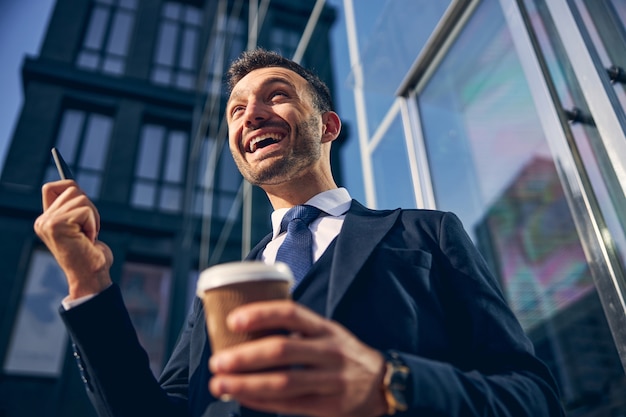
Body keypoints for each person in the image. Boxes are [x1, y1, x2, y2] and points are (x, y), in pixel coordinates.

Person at [34, 49, 565, 417]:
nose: (251, 115)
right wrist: (88, 282)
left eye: (276, 95)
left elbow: (533, 399)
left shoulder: (428, 235)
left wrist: (391, 383)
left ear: (328, 126)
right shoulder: (218, 290)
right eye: (237, 110)